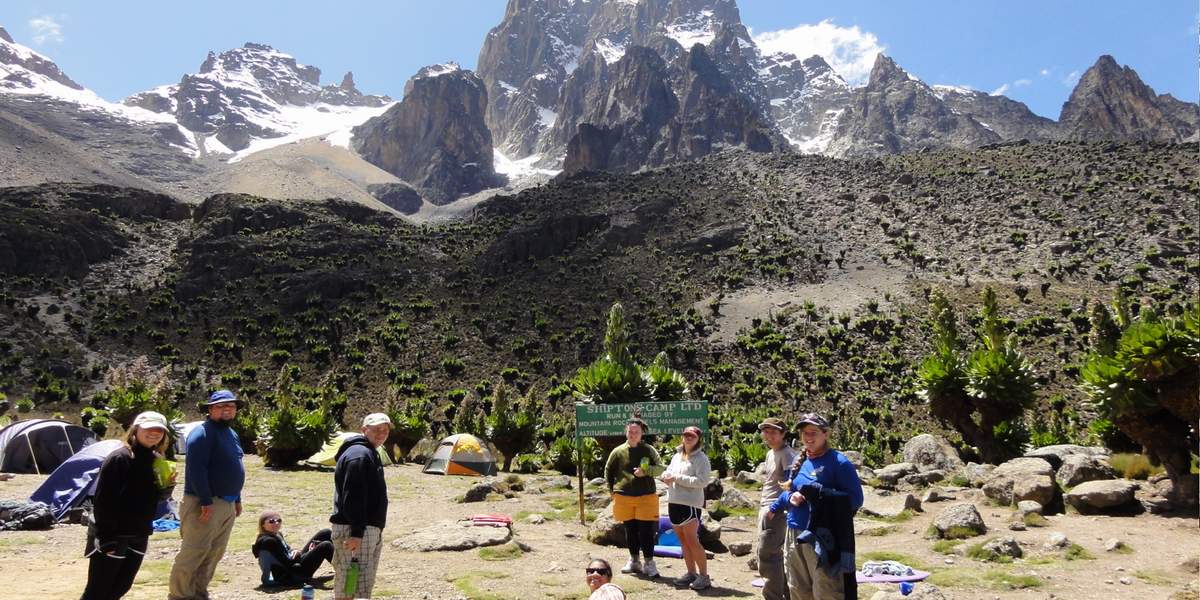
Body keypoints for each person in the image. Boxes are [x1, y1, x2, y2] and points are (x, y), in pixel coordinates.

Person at [768, 413, 863, 600]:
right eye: (805, 433)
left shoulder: (839, 462)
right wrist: (788, 499)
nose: (808, 437)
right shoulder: (800, 460)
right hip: (794, 532)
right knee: (798, 589)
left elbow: (855, 500)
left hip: (823, 536)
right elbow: (790, 491)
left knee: (827, 591)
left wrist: (819, 494)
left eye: (814, 432)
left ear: (825, 434)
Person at [81, 411, 173, 600]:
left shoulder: (155, 459)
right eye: (148, 428)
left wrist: (166, 489)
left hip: (139, 533)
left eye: (159, 430)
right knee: (97, 592)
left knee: (120, 587)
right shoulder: (120, 458)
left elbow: (150, 498)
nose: (154, 433)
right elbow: (103, 500)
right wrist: (106, 538)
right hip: (113, 534)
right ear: (135, 430)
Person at [170, 390, 246, 600]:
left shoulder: (231, 434)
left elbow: (234, 465)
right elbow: (196, 470)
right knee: (194, 552)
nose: (227, 410)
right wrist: (205, 501)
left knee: (215, 552)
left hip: (227, 502)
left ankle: (199, 594)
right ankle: (180, 596)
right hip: (204, 502)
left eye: (231, 406)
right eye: (221, 406)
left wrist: (237, 498)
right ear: (210, 410)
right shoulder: (202, 433)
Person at [331, 412, 391, 599]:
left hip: (365, 529)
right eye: (377, 429)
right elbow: (353, 496)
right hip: (357, 530)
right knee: (352, 585)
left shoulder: (368, 452)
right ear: (364, 430)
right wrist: (357, 533)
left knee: (359, 584)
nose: (382, 433)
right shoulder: (359, 454)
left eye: (385, 430)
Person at [603, 417, 662, 578]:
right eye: (630, 431)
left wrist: (646, 471)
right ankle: (634, 560)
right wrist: (611, 491)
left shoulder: (649, 450)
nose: (633, 434)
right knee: (630, 530)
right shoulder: (618, 451)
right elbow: (608, 470)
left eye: (636, 432)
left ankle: (649, 563)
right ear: (626, 432)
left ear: (642, 433)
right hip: (624, 496)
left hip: (646, 496)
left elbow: (660, 468)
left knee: (646, 531)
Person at [661, 425, 712, 590]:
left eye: (692, 436)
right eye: (686, 435)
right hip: (674, 502)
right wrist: (666, 476)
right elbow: (669, 471)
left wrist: (676, 478)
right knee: (682, 540)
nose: (688, 438)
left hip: (690, 504)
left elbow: (702, 481)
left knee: (692, 540)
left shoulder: (702, 459)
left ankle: (704, 576)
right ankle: (691, 573)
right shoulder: (677, 456)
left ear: (698, 439)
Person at [756, 417, 799, 600]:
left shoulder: (787, 455)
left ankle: (772, 596)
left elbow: (790, 485)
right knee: (775, 555)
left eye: (773, 432)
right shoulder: (770, 453)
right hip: (766, 506)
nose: (769, 436)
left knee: (768, 554)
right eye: (766, 432)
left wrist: (776, 508)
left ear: (783, 434)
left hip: (775, 510)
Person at [251, 511, 334, 587]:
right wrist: (307, 552)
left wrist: (297, 552)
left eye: (279, 520)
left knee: (325, 533)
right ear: (263, 525)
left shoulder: (277, 534)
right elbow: (288, 564)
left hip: (294, 565)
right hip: (291, 576)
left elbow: (288, 551)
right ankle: (341, 569)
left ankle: (341, 564)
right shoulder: (269, 541)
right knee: (325, 546)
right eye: (271, 521)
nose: (276, 523)